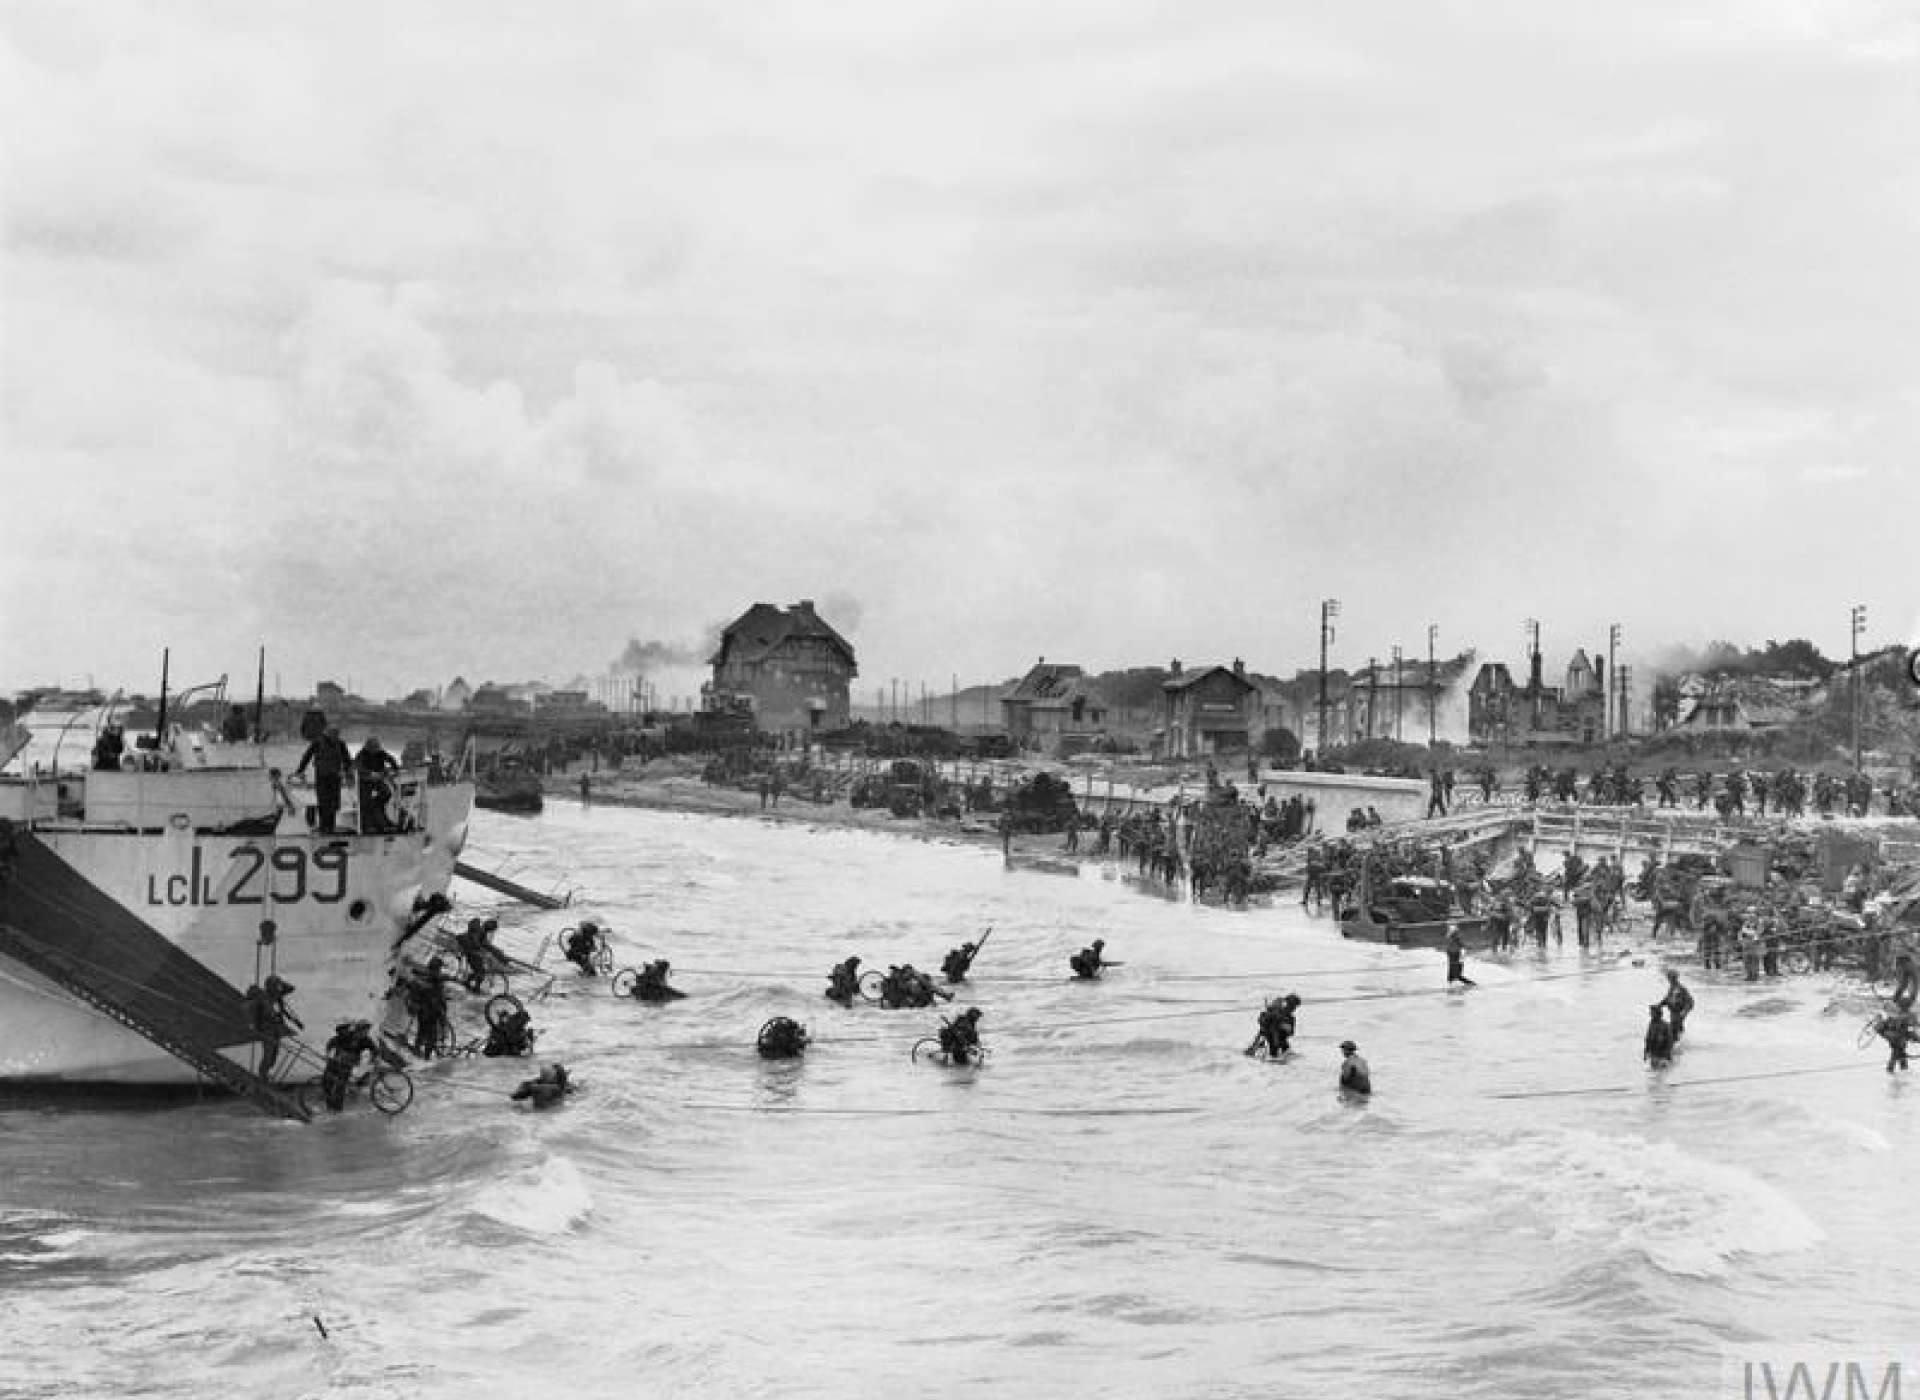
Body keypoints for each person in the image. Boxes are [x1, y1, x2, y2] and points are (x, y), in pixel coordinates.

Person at [320, 1019, 404, 1111]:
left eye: (366, 1031)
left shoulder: (366, 1040)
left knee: (341, 1085)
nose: (365, 1033)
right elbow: (331, 1043)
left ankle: (337, 1109)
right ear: (358, 1030)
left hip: (348, 1063)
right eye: (364, 1031)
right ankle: (329, 1104)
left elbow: (375, 1050)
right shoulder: (346, 1035)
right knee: (327, 1082)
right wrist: (328, 1054)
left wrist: (374, 1058)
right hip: (336, 1061)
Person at [293, 724, 352, 834]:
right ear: (327, 733)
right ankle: (323, 827)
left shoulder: (341, 743)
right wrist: (300, 770)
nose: (335, 736)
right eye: (333, 733)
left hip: (336, 776)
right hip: (322, 776)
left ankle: (331, 826)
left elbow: (346, 759)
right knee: (323, 801)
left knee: (333, 802)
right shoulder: (317, 742)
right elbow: (307, 756)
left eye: (337, 734)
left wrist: (348, 772)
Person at [243, 974, 301, 1079]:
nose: (278, 988)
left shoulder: (277, 998)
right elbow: (251, 1010)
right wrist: (252, 1025)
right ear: (270, 986)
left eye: (278, 986)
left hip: (276, 1030)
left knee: (274, 1055)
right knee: (268, 1054)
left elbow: (291, 989)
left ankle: (264, 1073)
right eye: (276, 985)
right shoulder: (261, 998)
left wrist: (296, 1021)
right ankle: (262, 1074)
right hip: (266, 1029)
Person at [405, 957, 452, 1057]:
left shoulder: (429, 978)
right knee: (428, 1033)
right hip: (429, 1010)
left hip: (430, 1009)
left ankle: (421, 1051)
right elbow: (432, 987)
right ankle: (423, 1053)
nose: (438, 970)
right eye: (438, 968)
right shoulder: (431, 979)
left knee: (425, 1032)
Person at [355, 736, 399, 833]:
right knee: (365, 802)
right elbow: (358, 767)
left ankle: (381, 821)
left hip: (378, 780)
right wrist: (370, 773)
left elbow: (391, 759)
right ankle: (368, 826)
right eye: (373, 747)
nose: (375, 750)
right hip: (365, 781)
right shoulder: (361, 755)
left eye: (376, 747)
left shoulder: (381, 753)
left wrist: (395, 769)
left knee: (386, 793)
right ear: (368, 747)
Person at [1245, 994, 1300, 1059]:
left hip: (1280, 1039)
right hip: (1266, 1035)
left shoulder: (1290, 1018)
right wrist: (1271, 1019)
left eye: (1294, 1007)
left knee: (1283, 1054)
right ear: (1286, 1003)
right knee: (1251, 1053)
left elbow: (1291, 1033)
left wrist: (1283, 1026)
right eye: (1291, 1005)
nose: (1293, 1009)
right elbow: (1261, 1020)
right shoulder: (1273, 1010)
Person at [1661, 970, 1694, 1042]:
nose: (1669, 980)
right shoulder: (1672, 988)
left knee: (1675, 1026)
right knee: (1676, 1026)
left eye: (1670, 978)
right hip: (1674, 1011)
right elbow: (1667, 999)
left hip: (1679, 1011)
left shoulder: (1681, 989)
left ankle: (1676, 1041)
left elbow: (1690, 1002)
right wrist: (1660, 1004)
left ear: (1674, 978)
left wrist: (1684, 1011)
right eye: (1669, 978)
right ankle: (1680, 1040)